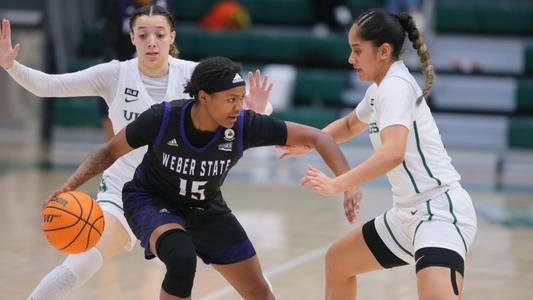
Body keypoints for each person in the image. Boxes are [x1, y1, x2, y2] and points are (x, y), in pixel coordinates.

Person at [0, 4, 273, 299]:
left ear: (172, 37)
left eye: (159, 34)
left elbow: (243, 112)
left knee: (256, 282)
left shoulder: (196, 76)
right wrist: (11, 66)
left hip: (185, 195)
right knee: (76, 268)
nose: (151, 41)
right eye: (143, 34)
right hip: (126, 193)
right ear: (132, 38)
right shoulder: (114, 74)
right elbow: (50, 85)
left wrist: (262, 109)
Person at [47, 56, 354, 299]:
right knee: (181, 259)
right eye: (231, 99)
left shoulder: (244, 125)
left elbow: (319, 138)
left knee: (259, 291)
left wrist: (347, 182)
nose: (239, 106)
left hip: (206, 207)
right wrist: (70, 185)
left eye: (241, 98)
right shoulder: (164, 118)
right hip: (151, 200)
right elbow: (108, 151)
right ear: (204, 97)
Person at [280, 9, 477, 300]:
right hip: (406, 215)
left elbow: (393, 153)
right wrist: (311, 142)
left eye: (357, 51)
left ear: (383, 51)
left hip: (439, 213)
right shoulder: (379, 89)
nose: (351, 59)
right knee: (338, 262)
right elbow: (349, 124)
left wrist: (340, 183)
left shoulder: (395, 88)